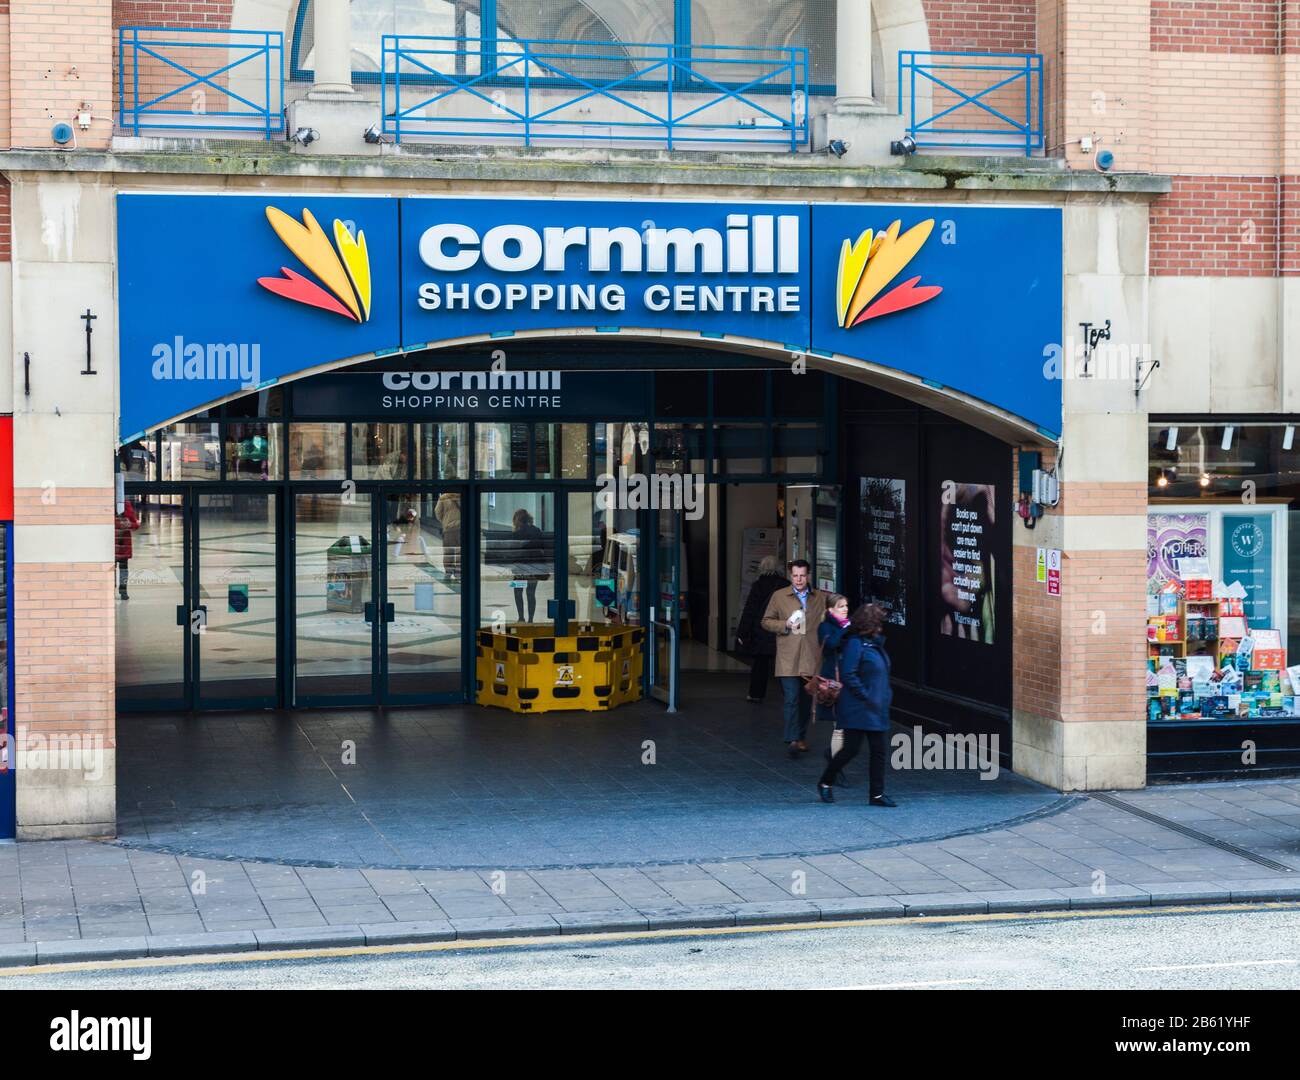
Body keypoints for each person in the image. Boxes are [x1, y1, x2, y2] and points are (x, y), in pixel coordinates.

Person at [818, 602, 897, 807]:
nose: (881, 626)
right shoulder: (854, 643)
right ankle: (826, 781)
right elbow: (848, 673)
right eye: (878, 622)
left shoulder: (874, 644)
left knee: (878, 750)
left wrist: (882, 696)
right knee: (851, 749)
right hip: (859, 707)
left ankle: (877, 795)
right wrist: (866, 695)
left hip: (875, 707)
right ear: (869, 623)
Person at [761, 558, 828, 757]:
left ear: (808, 576)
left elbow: (832, 616)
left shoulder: (820, 597)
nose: (799, 579)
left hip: (810, 656)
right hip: (788, 656)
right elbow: (766, 621)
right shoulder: (779, 596)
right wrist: (785, 625)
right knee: (791, 698)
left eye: (802, 575)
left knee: (807, 700)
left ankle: (800, 736)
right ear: (791, 576)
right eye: (795, 575)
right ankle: (791, 739)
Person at [734, 556, 788, 702]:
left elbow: (750, 610)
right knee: (786, 663)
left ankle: (756, 694)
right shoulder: (786, 585)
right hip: (782, 628)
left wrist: (742, 632)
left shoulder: (758, 585)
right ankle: (789, 694)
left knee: (760, 664)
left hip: (762, 630)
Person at [818, 594, 852, 778]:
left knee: (846, 726)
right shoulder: (825, 627)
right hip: (833, 681)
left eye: (846, 606)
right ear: (831, 610)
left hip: (849, 679)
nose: (845, 609)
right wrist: (845, 630)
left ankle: (834, 757)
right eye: (841, 606)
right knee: (839, 726)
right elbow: (831, 644)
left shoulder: (849, 626)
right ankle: (836, 769)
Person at [510, 507, 548, 623]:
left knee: (518, 592)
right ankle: (531, 619)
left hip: (520, 568)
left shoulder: (517, 533)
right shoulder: (537, 530)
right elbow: (543, 548)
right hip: (535, 568)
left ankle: (521, 617)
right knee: (531, 593)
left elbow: (513, 551)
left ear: (517, 520)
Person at [115, 498, 140, 600]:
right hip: (110, 543)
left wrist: (129, 524)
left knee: (123, 569)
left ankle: (123, 591)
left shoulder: (125, 503)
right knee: (111, 569)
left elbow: (135, 524)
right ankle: (110, 589)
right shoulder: (103, 501)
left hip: (123, 543)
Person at [435, 492, 461, 582]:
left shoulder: (443, 498)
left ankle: (448, 572)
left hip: (448, 529)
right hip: (461, 528)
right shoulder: (463, 495)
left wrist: (445, 521)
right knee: (460, 551)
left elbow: (437, 512)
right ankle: (458, 572)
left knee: (448, 551)